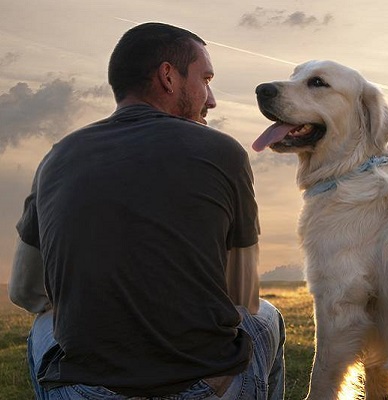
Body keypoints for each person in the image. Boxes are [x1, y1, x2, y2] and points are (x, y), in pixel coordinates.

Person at [8, 22, 285, 400]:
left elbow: (26, 291)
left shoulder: (58, 156)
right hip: (204, 387)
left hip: (85, 390)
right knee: (267, 316)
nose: (212, 99)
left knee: (45, 323)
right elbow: (242, 297)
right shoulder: (223, 152)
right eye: (205, 79)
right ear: (168, 77)